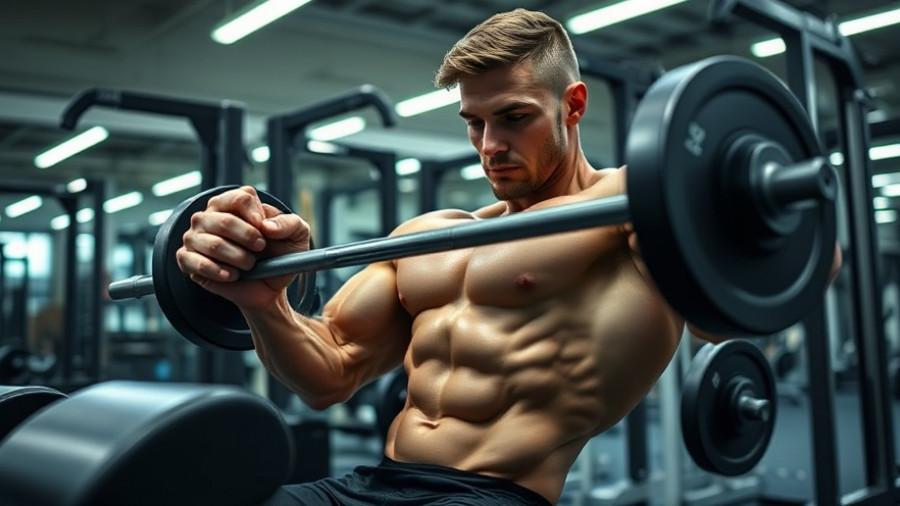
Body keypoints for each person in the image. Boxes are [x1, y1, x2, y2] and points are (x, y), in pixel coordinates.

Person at [176, 9, 840, 506]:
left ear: (572, 105)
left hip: (494, 495)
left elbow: (739, 305)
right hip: (373, 484)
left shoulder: (638, 205)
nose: (489, 143)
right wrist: (264, 303)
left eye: (513, 116)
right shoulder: (432, 232)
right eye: (474, 122)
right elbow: (328, 376)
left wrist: (768, 212)